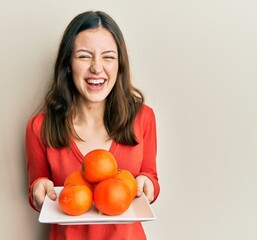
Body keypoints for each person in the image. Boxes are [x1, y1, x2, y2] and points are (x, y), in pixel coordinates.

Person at [25, 10, 160, 240]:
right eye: (84, 56)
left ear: (119, 66)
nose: (97, 68)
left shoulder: (143, 118)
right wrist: (38, 190)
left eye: (108, 57)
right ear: (67, 64)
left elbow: (151, 179)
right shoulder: (40, 126)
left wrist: (147, 184)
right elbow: (37, 187)